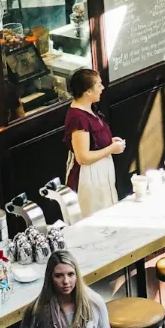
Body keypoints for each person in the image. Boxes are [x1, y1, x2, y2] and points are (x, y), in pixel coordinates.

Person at [63, 68, 124, 218]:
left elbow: (93, 141)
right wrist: (111, 148)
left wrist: (109, 142)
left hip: (100, 173)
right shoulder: (78, 117)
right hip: (88, 177)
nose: (102, 88)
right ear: (88, 92)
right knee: (95, 217)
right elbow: (82, 157)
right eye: (99, 85)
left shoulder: (88, 109)